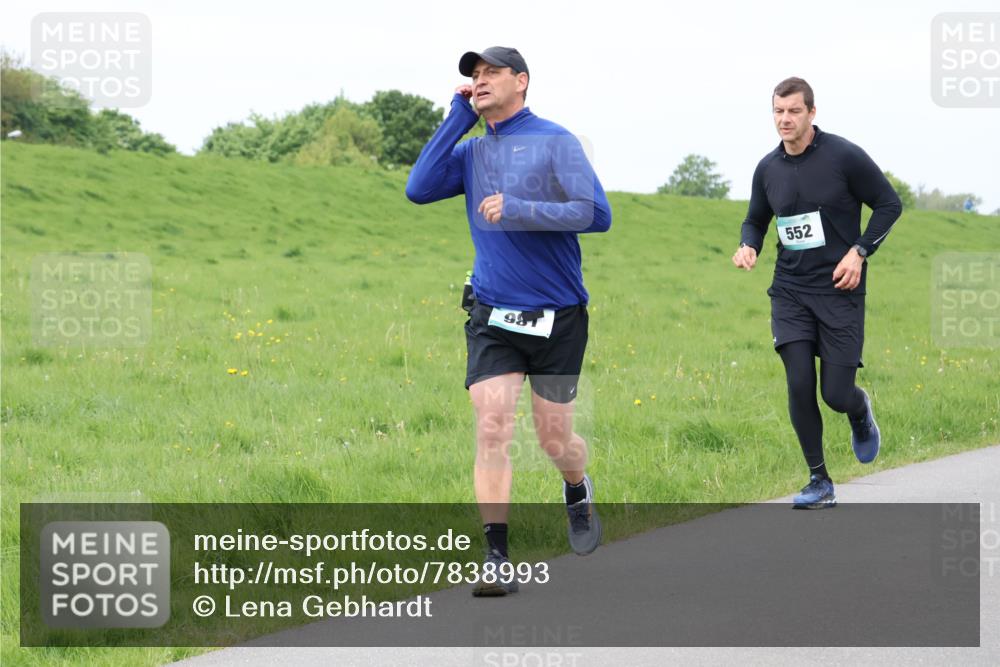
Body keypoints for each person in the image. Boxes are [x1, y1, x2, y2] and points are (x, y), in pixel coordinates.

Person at [406, 47, 612, 594]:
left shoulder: (554, 140)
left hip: (558, 317)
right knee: (493, 424)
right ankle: (496, 555)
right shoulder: (472, 152)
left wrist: (520, 206)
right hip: (493, 312)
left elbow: (597, 214)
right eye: (473, 76)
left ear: (521, 81)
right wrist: (456, 117)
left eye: (490, 72)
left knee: (554, 437)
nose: (479, 81)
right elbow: (418, 188)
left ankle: (576, 485)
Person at [732, 77, 902, 509]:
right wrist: (748, 243)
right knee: (799, 382)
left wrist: (860, 252)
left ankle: (859, 412)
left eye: (793, 111)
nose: (784, 119)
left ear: (811, 112)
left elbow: (888, 203)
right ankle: (819, 481)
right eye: (777, 111)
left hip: (840, 290)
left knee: (835, 394)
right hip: (789, 291)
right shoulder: (767, 169)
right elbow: (756, 218)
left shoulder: (842, 156)